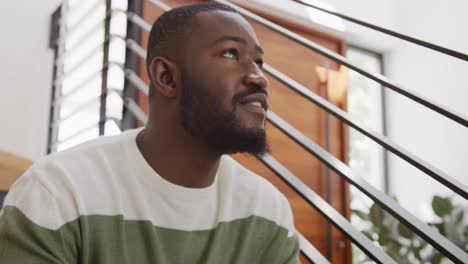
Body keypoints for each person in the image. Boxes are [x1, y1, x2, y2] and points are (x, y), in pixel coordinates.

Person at [0, 2, 299, 263]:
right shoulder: (58, 193)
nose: (259, 78)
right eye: (231, 53)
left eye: (258, 62)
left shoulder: (267, 211)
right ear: (166, 77)